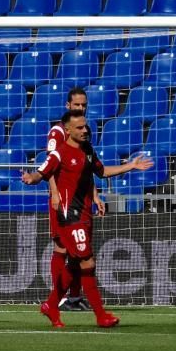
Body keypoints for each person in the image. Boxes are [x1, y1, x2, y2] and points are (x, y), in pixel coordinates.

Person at [21, 109, 152, 328]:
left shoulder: (88, 150)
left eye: (85, 126)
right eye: (79, 127)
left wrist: (130, 166)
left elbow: (101, 172)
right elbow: (41, 173)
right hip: (68, 215)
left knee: (74, 265)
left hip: (84, 213)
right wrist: (30, 178)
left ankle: (51, 305)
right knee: (87, 262)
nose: (85, 130)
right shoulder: (59, 153)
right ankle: (101, 316)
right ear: (68, 130)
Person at [44, 89, 104, 312]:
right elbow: (50, 164)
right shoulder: (58, 132)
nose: (81, 108)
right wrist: (55, 193)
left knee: (82, 249)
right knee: (62, 247)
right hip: (64, 200)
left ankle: (75, 296)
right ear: (68, 105)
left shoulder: (83, 132)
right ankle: (59, 298)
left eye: (84, 105)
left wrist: (96, 195)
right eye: (77, 105)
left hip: (83, 200)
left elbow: (85, 169)